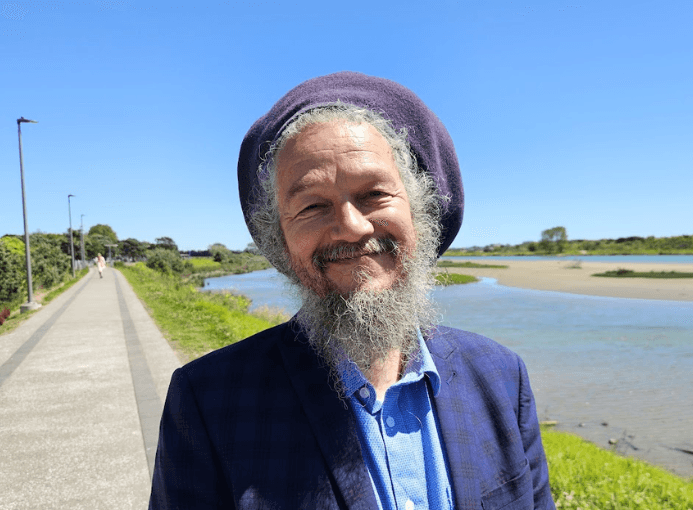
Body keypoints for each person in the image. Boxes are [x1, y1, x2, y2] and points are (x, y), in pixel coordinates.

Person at [149, 72, 555, 510]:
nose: (352, 227)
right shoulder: (209, 402)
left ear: (420, 210)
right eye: (312, 205)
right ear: (278, 238)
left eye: (374, 194)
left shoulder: (501, 377)